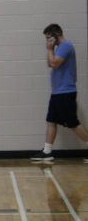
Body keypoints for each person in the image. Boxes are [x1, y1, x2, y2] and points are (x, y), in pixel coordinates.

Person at [31, 24, 88, 162]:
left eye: (49, 38)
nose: (48, 41)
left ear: (56, 34)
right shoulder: (57, 49)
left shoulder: (66, 46)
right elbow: (50, 64)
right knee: (51, 120)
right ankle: (47, 151)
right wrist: (50, 50)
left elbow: (55, 63)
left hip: (65, 91)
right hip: (57, 92)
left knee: (72, 122)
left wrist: (50, 50)